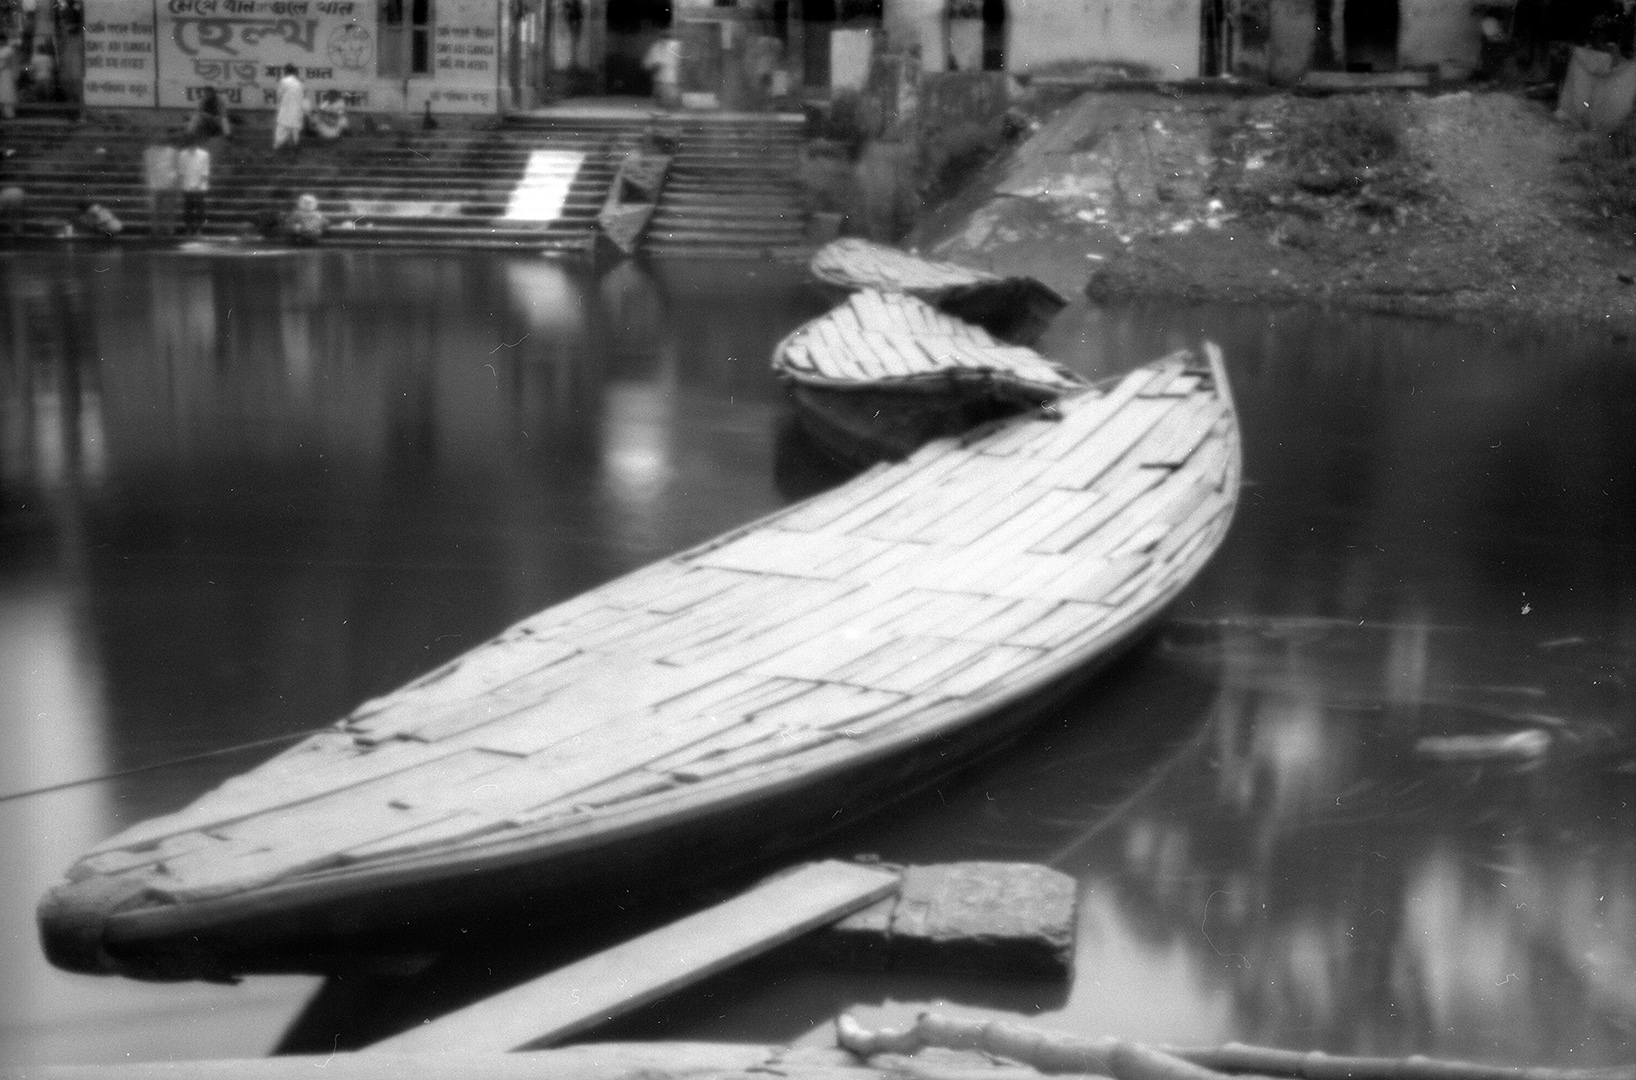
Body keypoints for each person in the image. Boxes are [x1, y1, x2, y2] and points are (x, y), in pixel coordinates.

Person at [142, 135, 181, 238]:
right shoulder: (148, 152)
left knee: (169, 209)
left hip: (168, 184)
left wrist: (174, 181)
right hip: (155, 184)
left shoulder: (173, 152)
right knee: (155, 210)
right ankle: (156, 229)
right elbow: (147, 167)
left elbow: (176, 167)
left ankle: (169, 229)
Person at [177, 135, 210, 235]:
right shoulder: (182, 154)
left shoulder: (204, 154)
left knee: (200, 209)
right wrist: (184, 184)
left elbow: (205, 171)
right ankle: (188, 228)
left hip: (200, 187)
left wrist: (197, 184)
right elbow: (181, 171)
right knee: (188, 209)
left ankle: (199, 229)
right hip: (187, 186)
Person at [642, 32, 681, 109]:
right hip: (663, 78)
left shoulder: (675, 46)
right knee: (664, 95)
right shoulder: (657, 46)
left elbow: (648, 64)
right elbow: (648, 63)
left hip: (669, 78)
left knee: (668, 94)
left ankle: (667, 106)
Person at [273, 63, 306, 152]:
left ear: (286, 71)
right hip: (296, 110)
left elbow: (279, 95)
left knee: (282, 128)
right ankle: (294, 146)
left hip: (286, 109)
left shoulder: (284, 81)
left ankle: (279, 147)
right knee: (295, 129)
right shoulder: (299, 83)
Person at [0, 34, 18, 120]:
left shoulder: (9, 50)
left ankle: (9, 114)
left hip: (6, 73)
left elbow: (12, 62)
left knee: (7, 94)